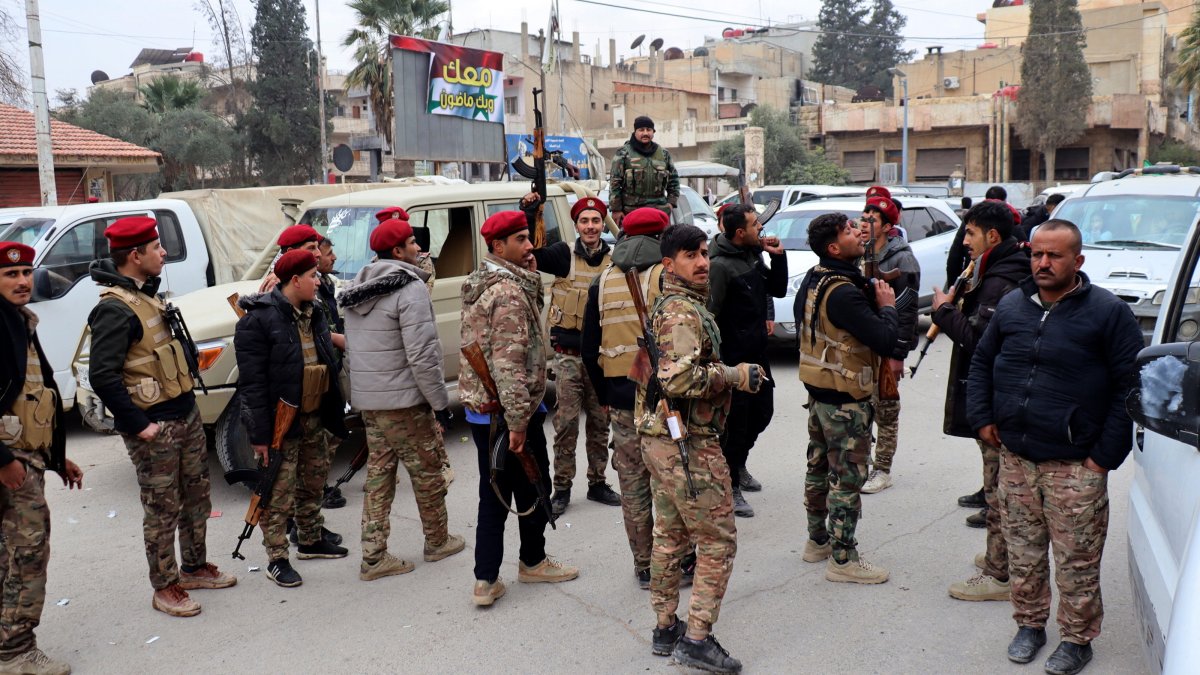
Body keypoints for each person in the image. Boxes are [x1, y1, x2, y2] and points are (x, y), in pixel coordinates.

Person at [967, 219, 1142, 674]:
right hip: (1017, 459)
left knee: (1076, 561)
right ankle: (1029, 625)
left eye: (1054, 256)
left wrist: (1102, 459)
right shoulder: (1013, 304)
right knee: (1023, 553)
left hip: (1074, 467)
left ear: (1077, 261)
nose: (1042, 263)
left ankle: (1078, 639)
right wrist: (983, 418)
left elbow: (1130, 389)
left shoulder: (1107, 312)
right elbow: (983, 360)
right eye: (1037, 254)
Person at [87, 216, 237, 617]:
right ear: (134, 255)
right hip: (154, 427)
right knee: (162, 509)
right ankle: (165, 586)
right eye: (155, 248)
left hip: (182, 414)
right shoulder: (115, 310)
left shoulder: (146, 295)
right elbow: (101, 375)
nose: (163, 252)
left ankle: (193, 567)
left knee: (195, 498)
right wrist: (140, 425)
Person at [638, 223, 764, 674]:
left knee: (670, 535)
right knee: (717, 540)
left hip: (662, 438)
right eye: (691, 255)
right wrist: (735, 375)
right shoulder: (681, 314)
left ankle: (664, 626)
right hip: (686, 442)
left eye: (705, 253)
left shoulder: (675, 304)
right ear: (669, 264)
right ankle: (696, 638)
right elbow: (680, 378)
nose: (703, 262)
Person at [460, 211, 579, 607]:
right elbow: (509, 364)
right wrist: (517, 422)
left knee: (505, 486)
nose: (531, 247)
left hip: (486, 411)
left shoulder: (488, 282)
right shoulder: (507, 293)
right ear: (498, 247)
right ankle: (520, 566)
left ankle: (492, 575)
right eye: (522, 240)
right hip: (507, 411)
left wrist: (528, 273)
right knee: (522, 484)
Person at [340, 213, 464, 582]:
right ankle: (437, 541)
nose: (418, 248)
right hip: (405, 403)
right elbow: (423, 355)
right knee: (428, 474)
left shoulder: (358, 287)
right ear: (397, 250)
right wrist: (441, 403)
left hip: (371, 402)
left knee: (379, 474)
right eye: (412, 242)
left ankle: (374, 556)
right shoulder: (408, 289)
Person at [930, 201, 1029, 602]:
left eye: (969, 233)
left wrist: (944, 310)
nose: (964, 241)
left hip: (999, 400)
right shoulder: (996, 269)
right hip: (996, 396)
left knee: (998, 490)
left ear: (991, 236)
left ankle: (999, 574)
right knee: (999, 487)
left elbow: (977, 339)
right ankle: (1000, 558)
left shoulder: (1001, 278)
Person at [235, 249, 349, 588]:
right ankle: (277, 558)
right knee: (278, 494)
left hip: (315, 415)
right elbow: (252, 384)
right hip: (282, 422)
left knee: (313, 482)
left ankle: (311, 539)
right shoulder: (257, 320)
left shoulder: (312, 313)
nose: (318, 281)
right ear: (295, 280)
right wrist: (260, 434)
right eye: (312, 276)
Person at [794, 213, 898, 584]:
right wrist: (887, 306)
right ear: (835, 247)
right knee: (848, 478)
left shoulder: (815, 277)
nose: (860, 231)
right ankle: (843, 559)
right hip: (845, 400)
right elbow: (885, 340)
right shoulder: (843, 292)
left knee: (819, 468)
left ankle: (817, 541)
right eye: (851, 231)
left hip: (820, 394)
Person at [581, 207, 678, 590]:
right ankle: (674, 559)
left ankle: (643, 566)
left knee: (633, 484)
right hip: (666, 398)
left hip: (621, 399)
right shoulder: (669, 276)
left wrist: (606, 396)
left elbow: (590, 349)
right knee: (671, 479)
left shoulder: (601, 281)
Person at [0, 242, 83, 675]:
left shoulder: (19, 321)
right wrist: (4, 461)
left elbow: (37, 394)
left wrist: (56, 457)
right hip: (10, 463)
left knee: (9, 555)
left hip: (26, 457)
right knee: (29, 555)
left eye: (26, 273)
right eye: (10, 275)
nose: (22, 281)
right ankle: (15, 652)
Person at [518, 194, 620, 515]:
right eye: (584, 221)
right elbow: (531, 252)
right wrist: (531, 211)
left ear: (603, 224)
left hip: (602, 359)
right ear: (576, 225)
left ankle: (597, 482)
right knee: (565, 424)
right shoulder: (563, 255)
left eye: (595, 221)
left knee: (601, 422)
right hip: (568, 357)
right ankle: (562, 488)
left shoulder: (615, 260)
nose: (590, 227)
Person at [706, 203, 787, 517]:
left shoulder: (751, 256)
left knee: (762, 414)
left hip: (758, 356)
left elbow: (777, 289)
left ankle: (738, 465)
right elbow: (710, 316)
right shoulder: (720, 266)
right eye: (755, 225)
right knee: (735, 425)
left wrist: (777, 257)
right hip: (734, 361)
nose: (761, 229)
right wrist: (720, 365)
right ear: (740, 233)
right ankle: (730, 485)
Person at [857, 187, 920, 495]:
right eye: (864, 216)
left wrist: (898, 354)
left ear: (886, 225)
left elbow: (907, 314)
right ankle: (863, 465)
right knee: (861, 407)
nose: (866, 222)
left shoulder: (903, 259)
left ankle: (883, 468)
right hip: (862, 346)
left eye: (873, 218)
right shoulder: (857, 252)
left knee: (887, 409)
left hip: (887, 345)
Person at [609, 116, 680, 225]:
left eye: (648, 130)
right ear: (635, 132)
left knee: (664, 241)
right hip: (631, 211)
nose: (645, 133)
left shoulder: (664, 154)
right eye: (641, 130)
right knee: (631, 242)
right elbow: (615, 183)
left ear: (653, 132)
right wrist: (616, 209)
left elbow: (674, 181)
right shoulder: (623, 153)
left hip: (659, 211)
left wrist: (671, 204)